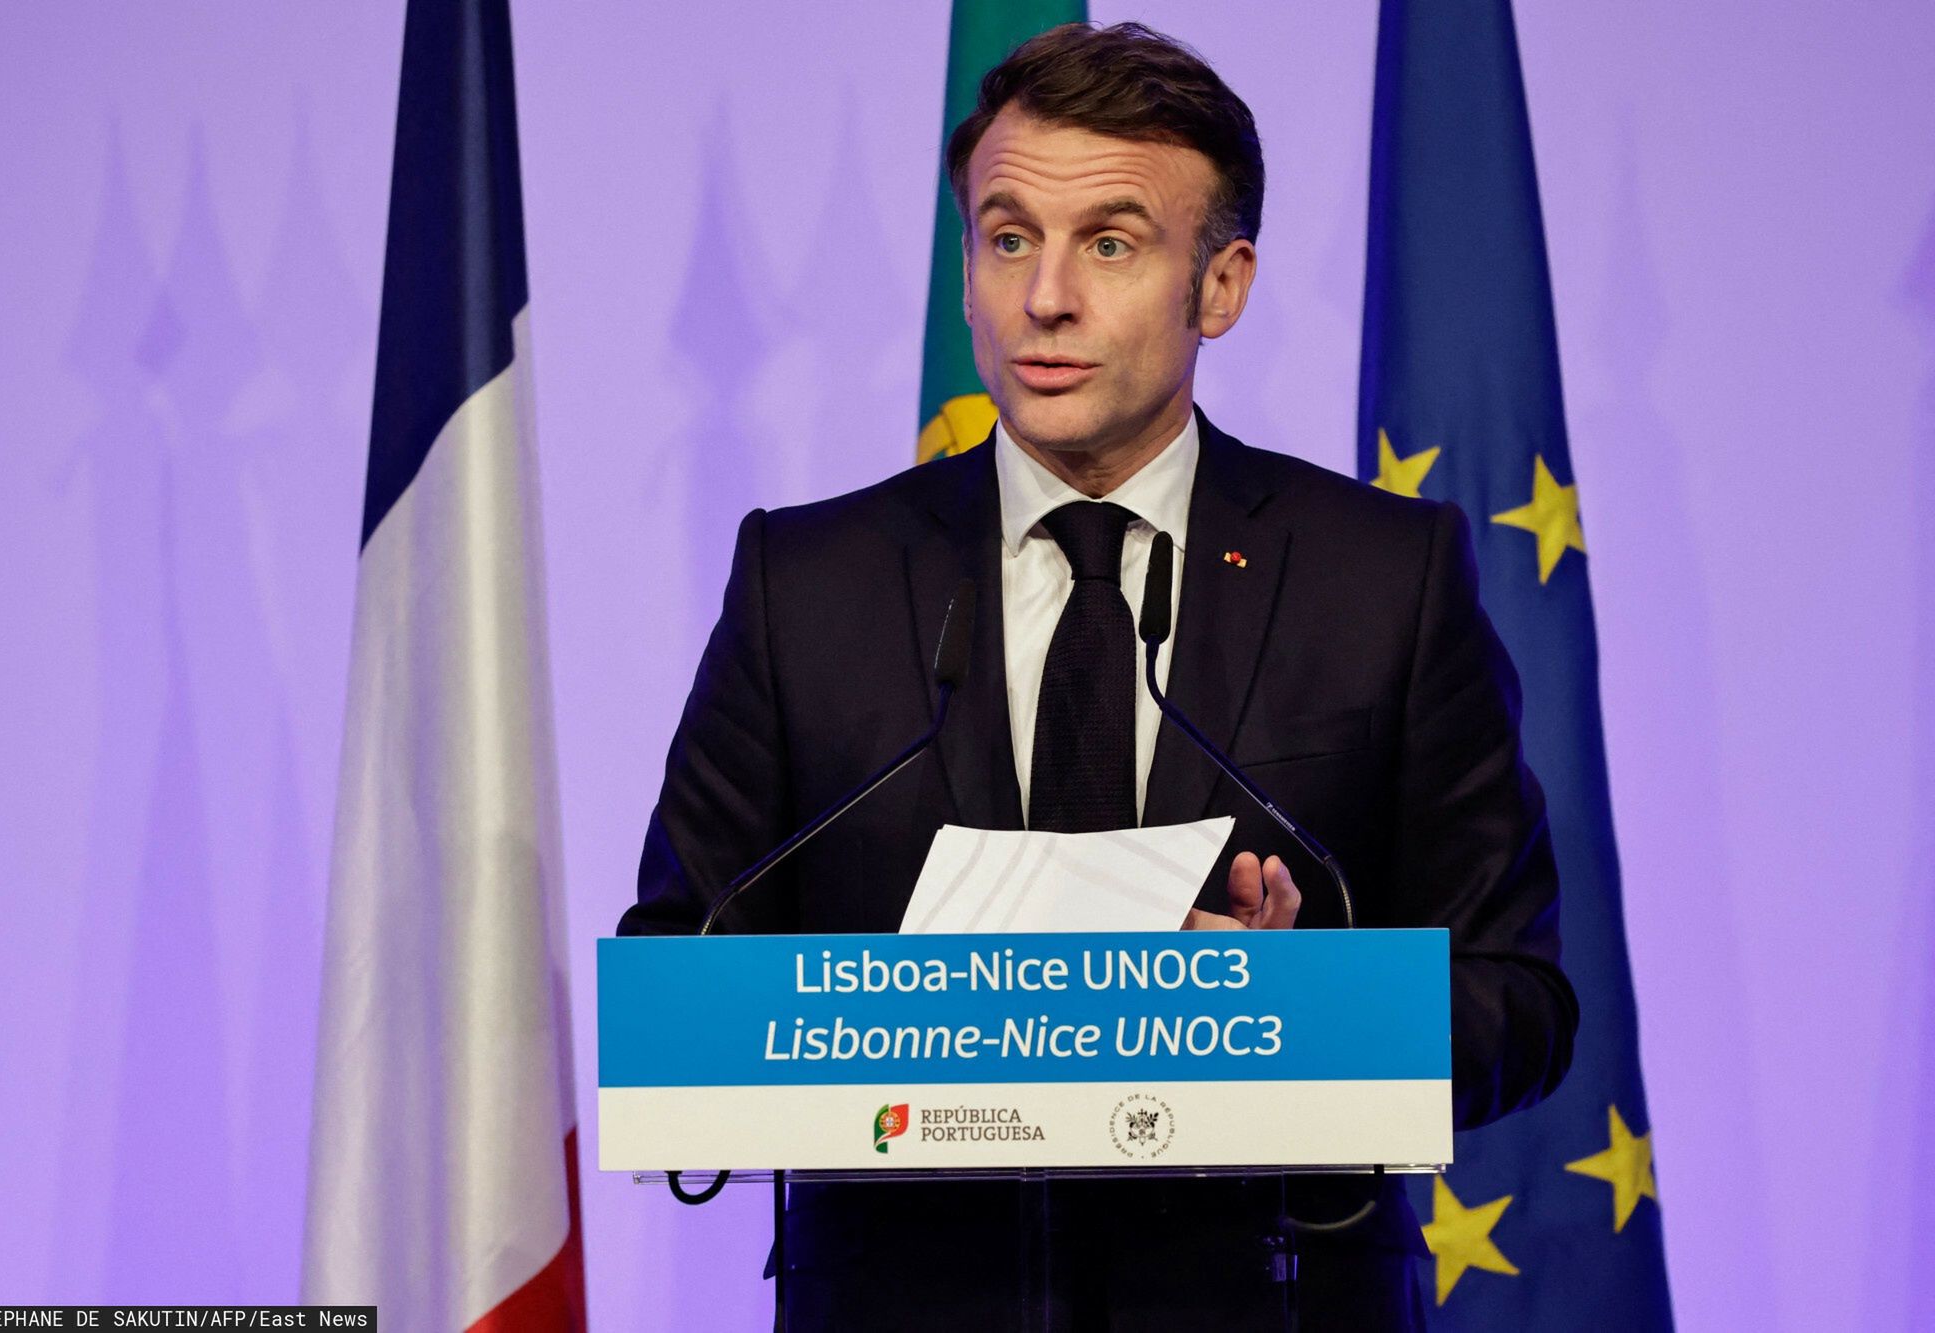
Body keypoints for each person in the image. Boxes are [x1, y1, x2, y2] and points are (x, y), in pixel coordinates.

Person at [621, 22, 1577, 1330]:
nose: (1045, 298)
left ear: (1221, 285)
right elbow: (681, 976)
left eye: (1110, 243)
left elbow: (1523, 999)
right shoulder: (808, 582)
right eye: (1007, 236)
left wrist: (1308, 1004)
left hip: (1271, 1301)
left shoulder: (1385, 578)